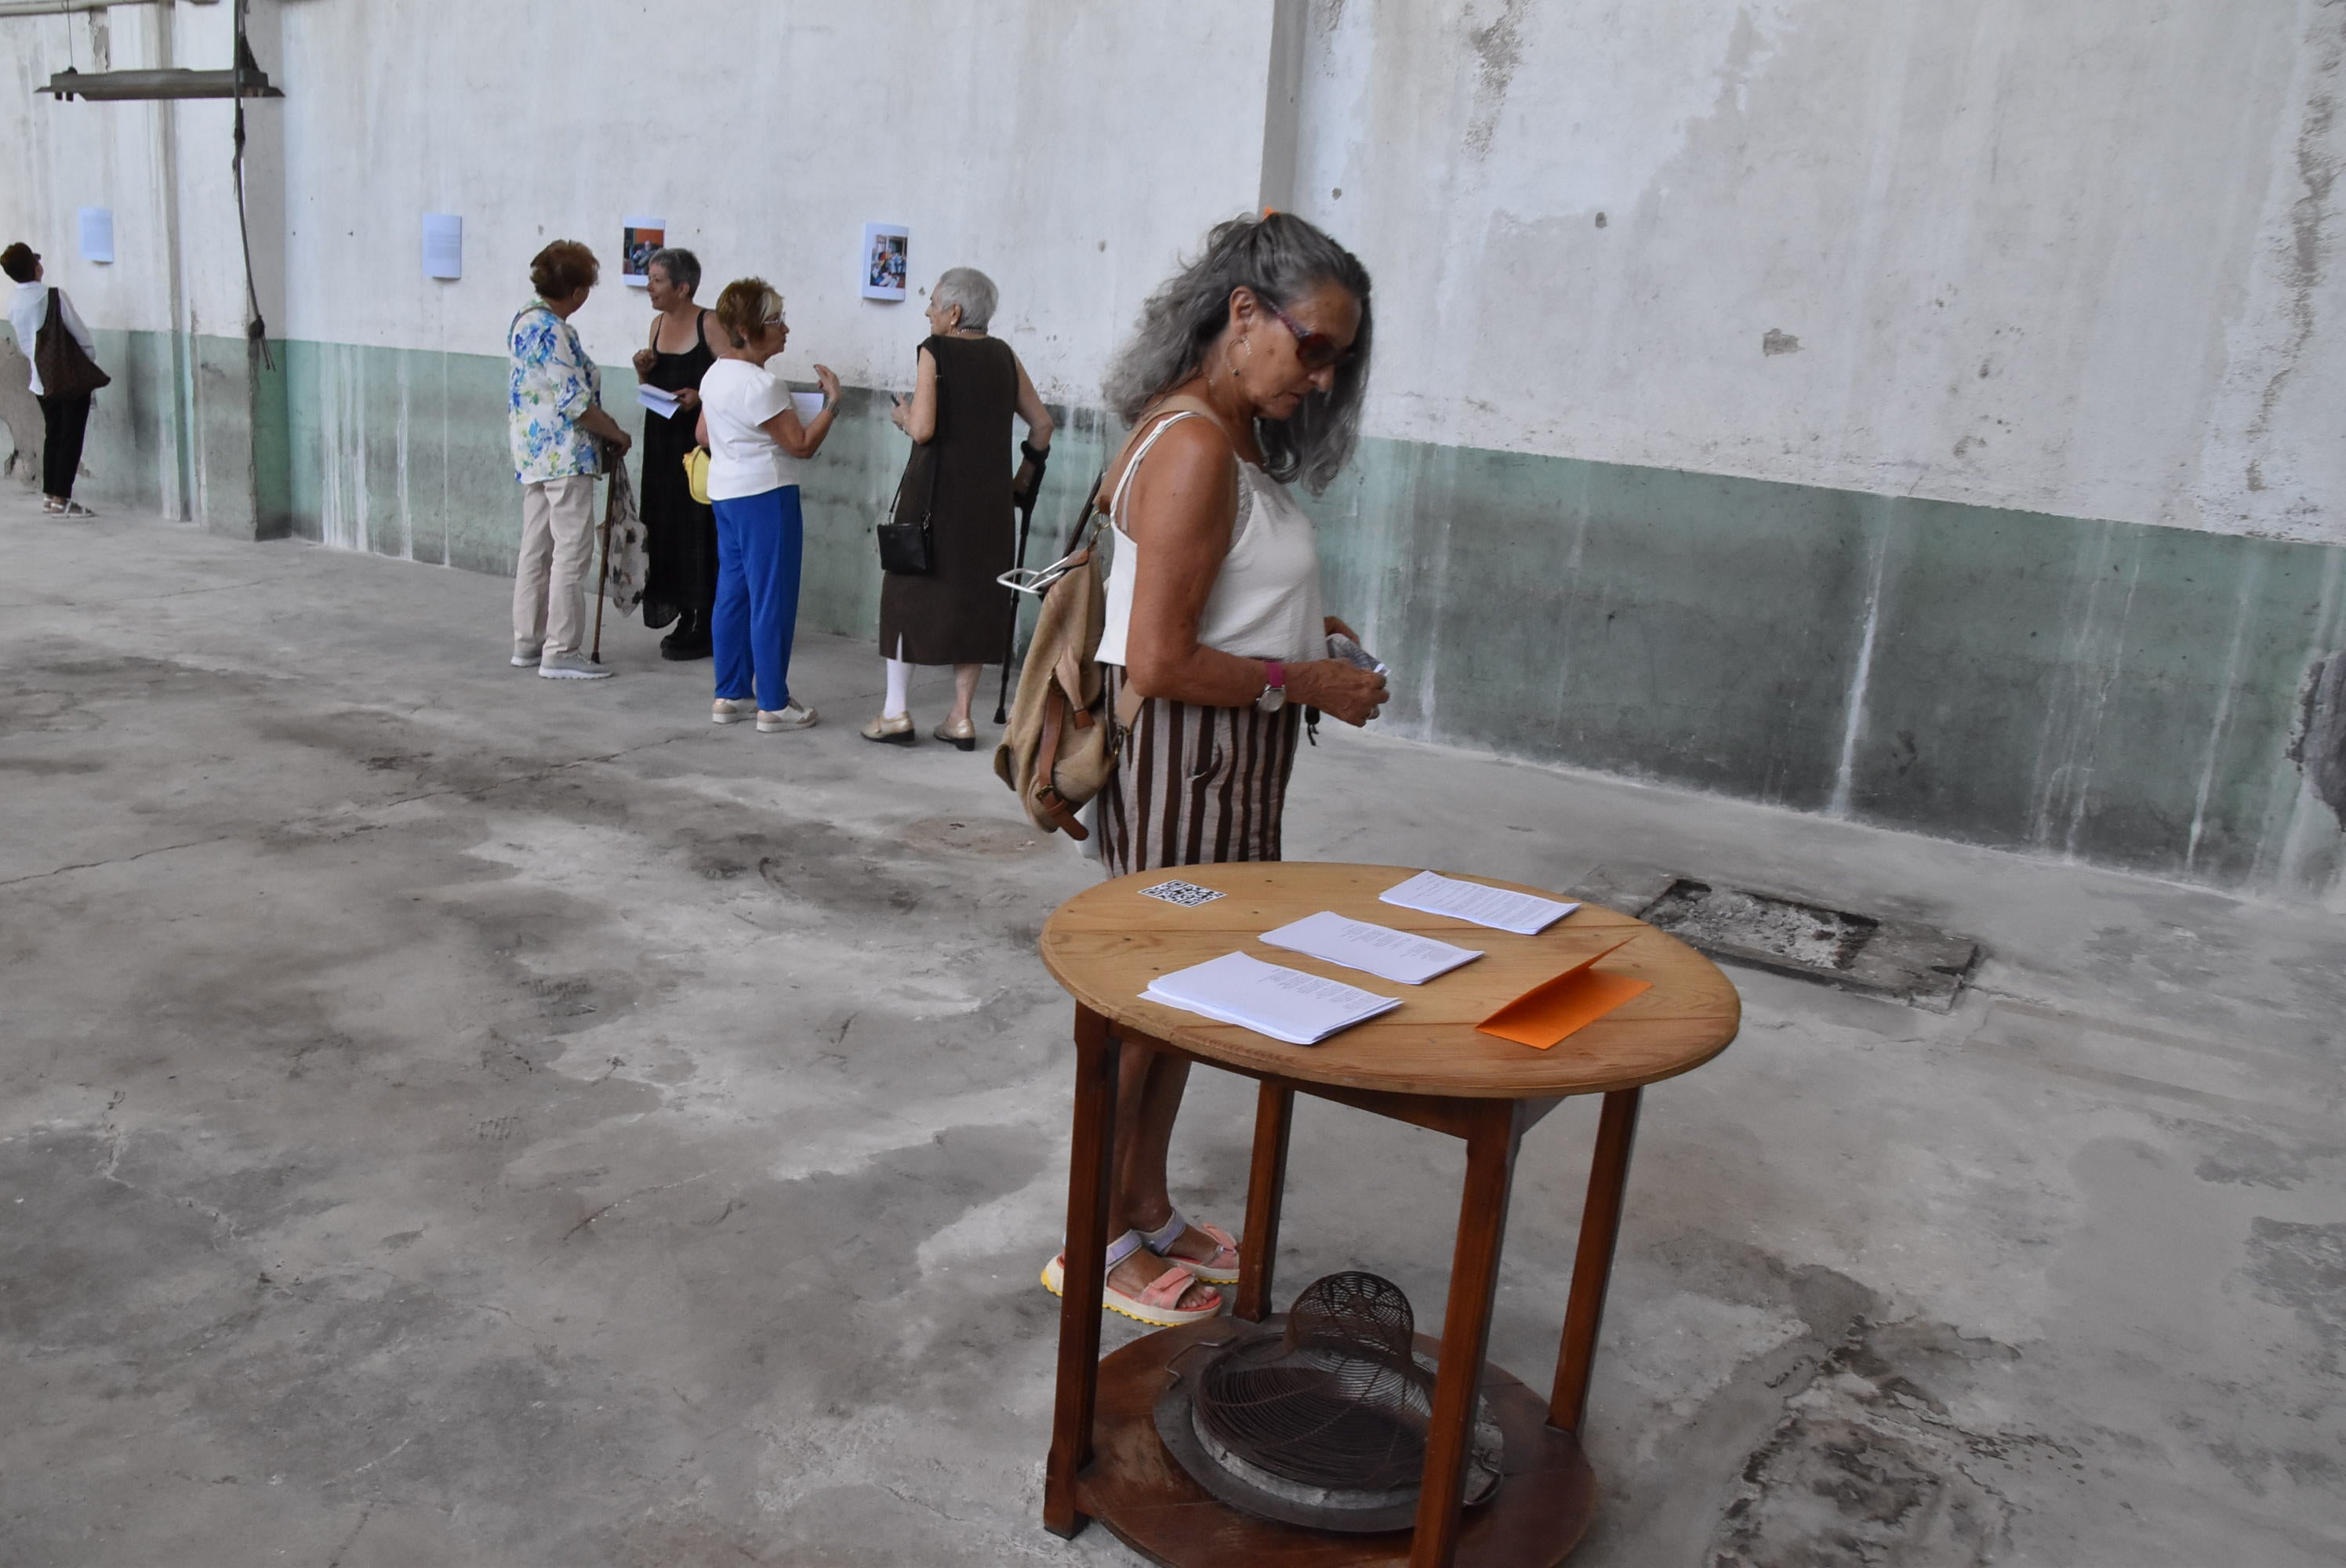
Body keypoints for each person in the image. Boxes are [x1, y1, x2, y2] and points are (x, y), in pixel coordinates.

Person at [1040, 212, 1386, 1328]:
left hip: (1230, 768)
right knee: (1150, 1010)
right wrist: (1309, 684)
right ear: (1244, 315)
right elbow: (1161, 657)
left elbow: (1217, 601)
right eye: (1314, 346)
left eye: (1341, 358)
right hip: (1192, 767)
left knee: (1186, 1008)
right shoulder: (1190, 445)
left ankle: (1142, 1204)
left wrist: (1308, 633)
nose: (1324, 379)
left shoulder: (1220, 438)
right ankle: (1091, 1244)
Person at [864, 267, 1055, 749]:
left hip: (932, 495)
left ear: (953, 313)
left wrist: (903, 415)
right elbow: (1042, 425)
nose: (927, 312)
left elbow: (925, 429)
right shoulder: (1004, 356)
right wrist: (1020, 482)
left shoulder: (936, 350)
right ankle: (962, 717)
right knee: (975, 598)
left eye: (932, 303)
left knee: (905, 593)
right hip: (989, 504)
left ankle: (895, 712)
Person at [694, 278, 840, 732]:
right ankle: (773, 702)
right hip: (766, 496)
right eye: (776, 321)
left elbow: (703, 435)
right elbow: (799, 446)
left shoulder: (714, 374)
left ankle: (730, 693)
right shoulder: (764, 384)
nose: (785, 329)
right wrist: (832, 405)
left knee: (733, 595)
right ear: (749, 329)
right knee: (771, 599)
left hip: (726, 494)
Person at [508, 240, 633, 679]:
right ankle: (560, 649)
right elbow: (574, 401)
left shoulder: (525, 320)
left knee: (536, 548)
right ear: (577, 291)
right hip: (564, 456)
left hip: (534, 452)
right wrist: (614, 432)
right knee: (571, 553)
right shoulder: (555, 331)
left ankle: (528, 641)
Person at [628, 248, 717, 659]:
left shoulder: (710, 323)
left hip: (696, 441)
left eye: (658, 280)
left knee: (698, 526)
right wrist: (644, 369)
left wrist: (701, 396)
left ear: (683, 288)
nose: (650, 286)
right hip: (662, 440)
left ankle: (704, 617)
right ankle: (683, 612)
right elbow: (650, 382)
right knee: (664, 522)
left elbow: (733, 373)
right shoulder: (657, 324)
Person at [4, 241, 101, 519]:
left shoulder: (14, 302)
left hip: (40, 379)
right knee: (71, 437)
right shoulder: (53, 296)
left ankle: (50, 496)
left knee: (54, 435)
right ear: (36, 268)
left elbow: (26, 344)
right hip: (68, 378)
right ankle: (62, 498)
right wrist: (88, 360)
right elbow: (80, 335)